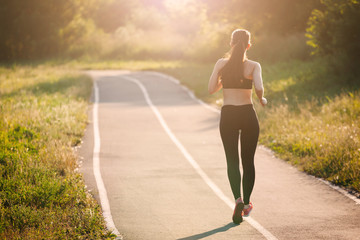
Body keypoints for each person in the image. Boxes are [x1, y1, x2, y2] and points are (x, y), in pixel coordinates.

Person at [208, 29, 267, 224]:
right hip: (247, 114)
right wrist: (261, 98)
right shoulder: (253, 65)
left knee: (232, 161)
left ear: (231, 44)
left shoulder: (221, 64)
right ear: (249, 45)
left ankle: (238, 200)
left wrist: (223, 80)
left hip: (228, 115)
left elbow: (211, 89)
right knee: (248, 161)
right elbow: (258, 87)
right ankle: (248, 203)